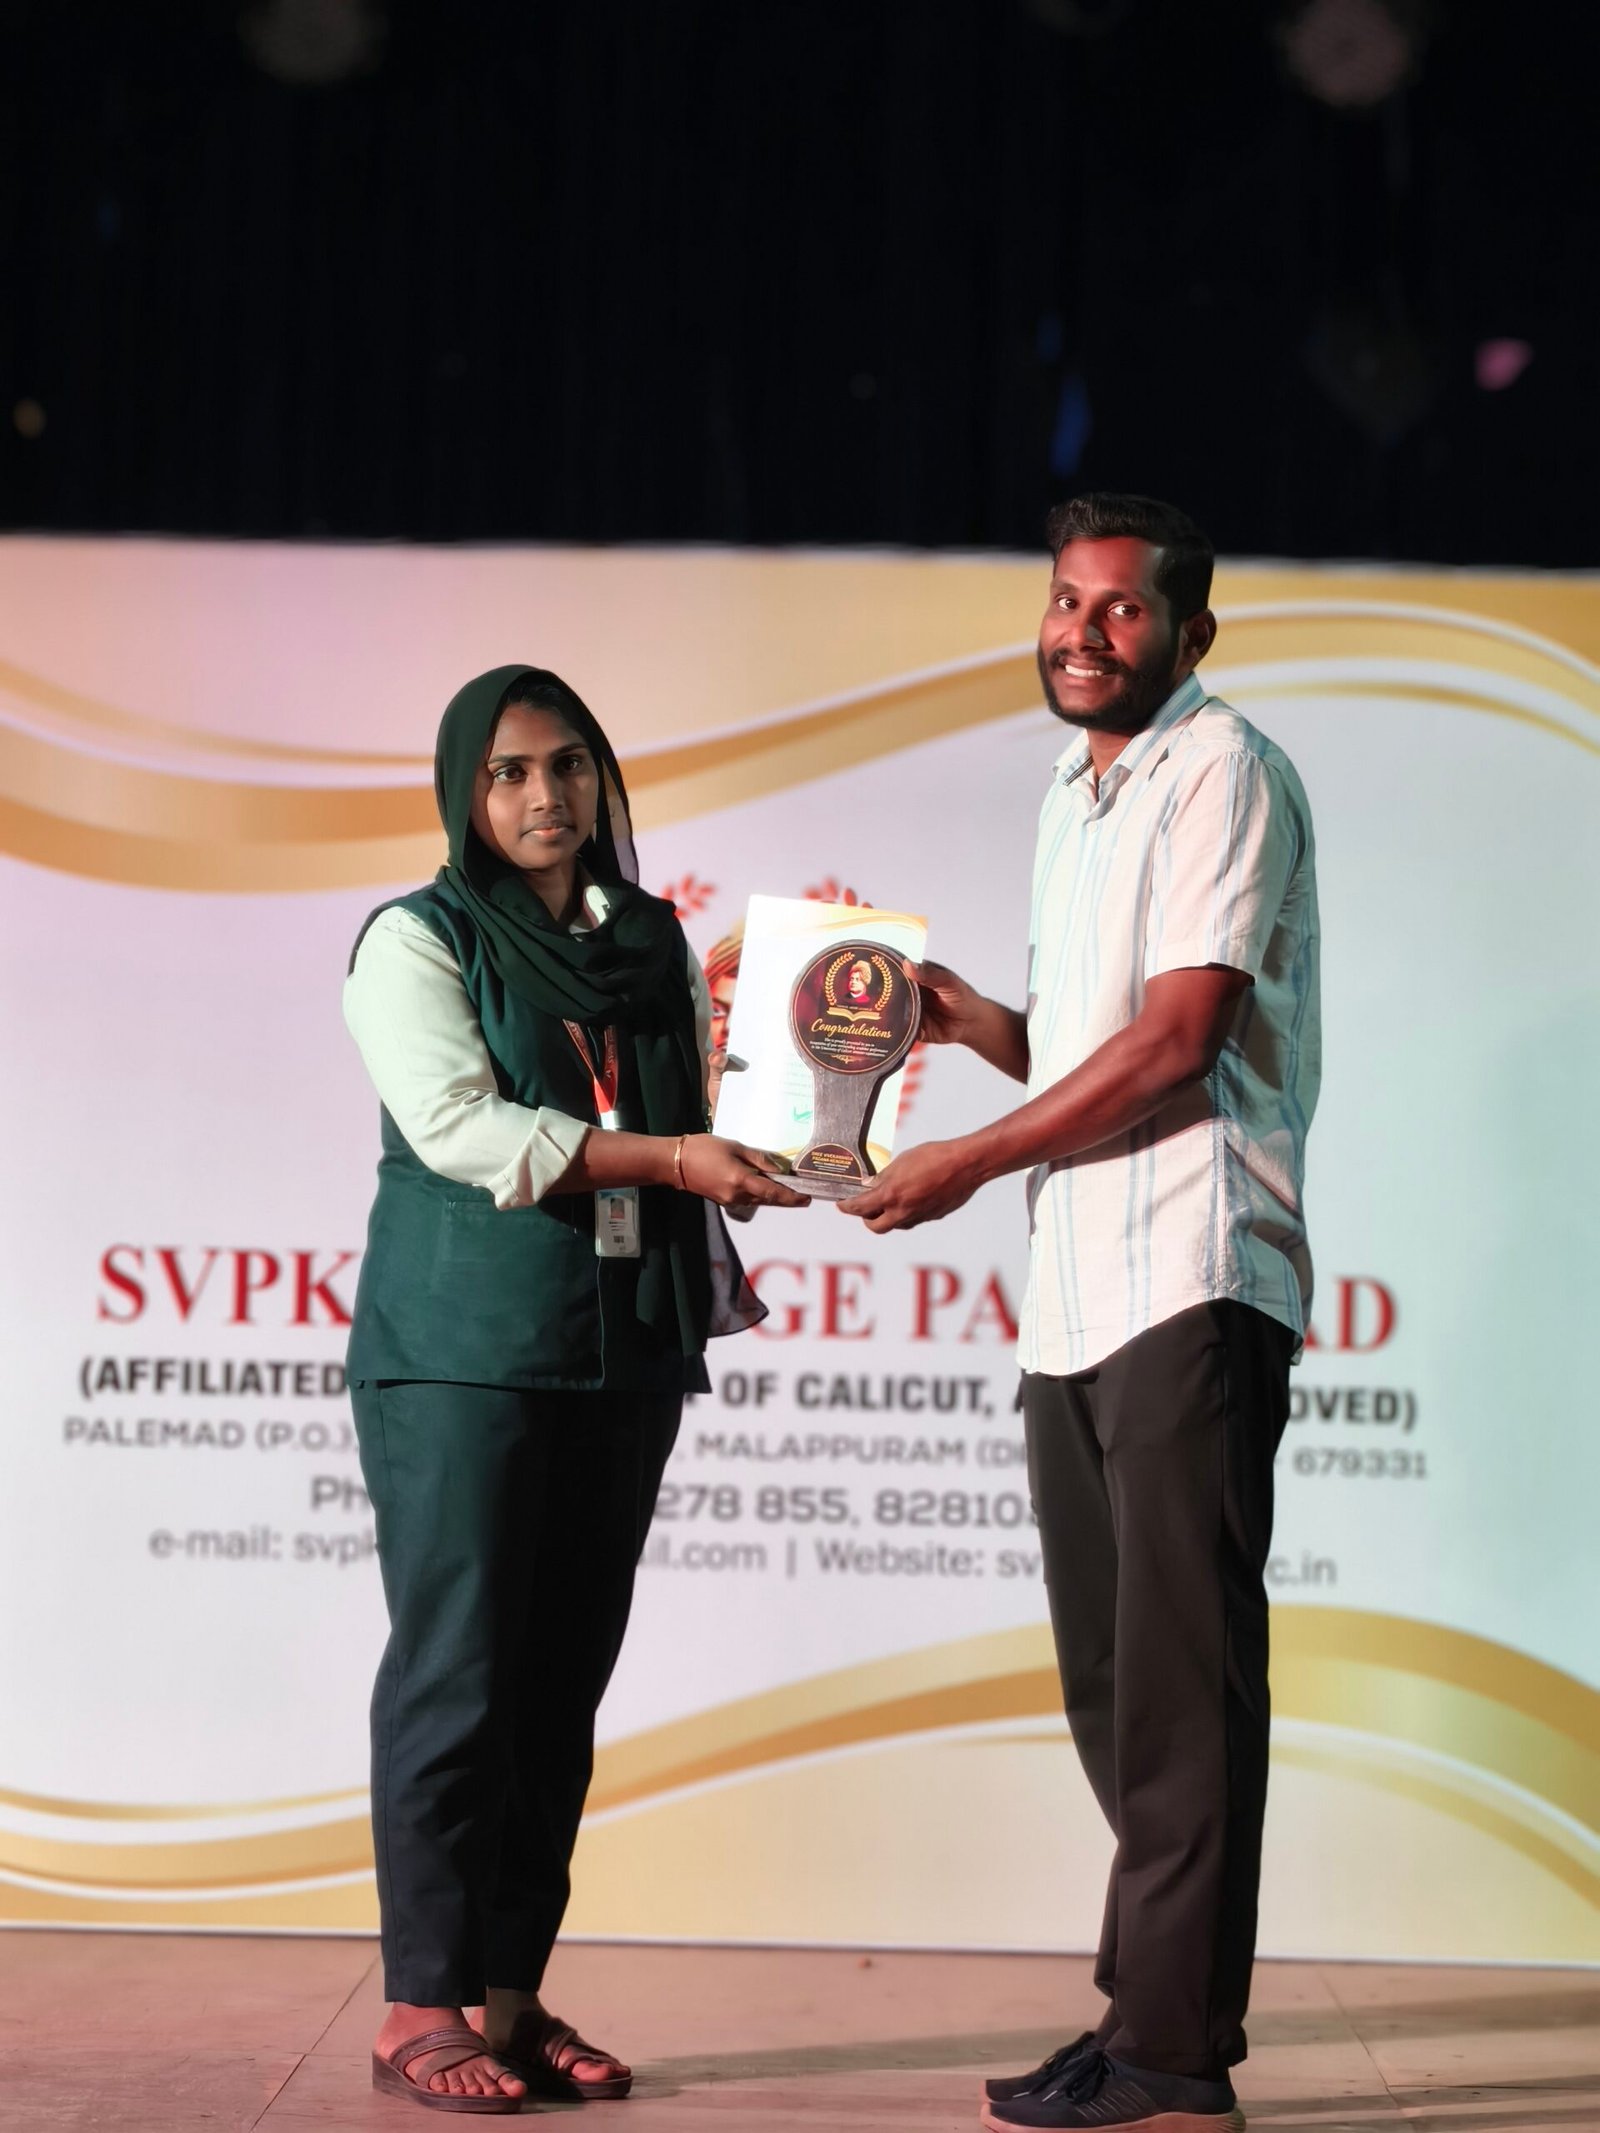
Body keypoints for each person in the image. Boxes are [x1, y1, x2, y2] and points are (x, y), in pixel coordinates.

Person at [845, 495, 1320, 2133]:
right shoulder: (1077, 787)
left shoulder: (1222, 768)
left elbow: (1181, 1039)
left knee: (1185, 1685)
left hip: (1190, 1268)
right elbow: (1090, 1037)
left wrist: (971, 1156)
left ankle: (1175, 2056)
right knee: (1116, 1684)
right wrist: (974, 1021)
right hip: (1074, 1292)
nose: (1081, 630)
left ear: (1192, 631)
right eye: (1065, 600)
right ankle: (1141, 2017)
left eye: (1121, 607)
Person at [343, 663, 806, 2114]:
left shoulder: (646, 941)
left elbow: (699, 1113)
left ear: (602, 778)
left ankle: (508, 1997)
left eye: (568, 765)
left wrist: (786, 1056)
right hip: (464, 1349)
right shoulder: (416, 939)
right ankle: (419, 2002)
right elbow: (463, 1128)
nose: (545, 795)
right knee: (459, 1673)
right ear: (465, 794)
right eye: (509, 772)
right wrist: (671, 1159)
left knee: (559, 1685)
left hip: (622, 1346)